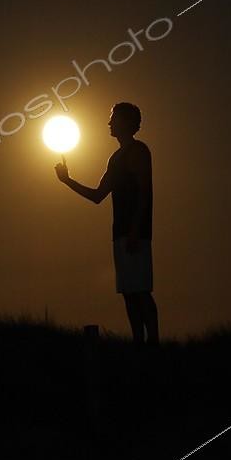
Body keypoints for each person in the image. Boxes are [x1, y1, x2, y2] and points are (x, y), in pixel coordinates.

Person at [54, 102, 159, 348]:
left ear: (127, 122)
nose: (109, 123)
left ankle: (153, 342)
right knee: (128, 292)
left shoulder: (139, 151)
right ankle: (138, 342)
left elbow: (145, 191)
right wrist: (66, 180)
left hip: (136, 233)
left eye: (113, 119)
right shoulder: (116, 158)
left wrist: (135, 229)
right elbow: (98, 195)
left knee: (141, 290)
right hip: (121, 233)